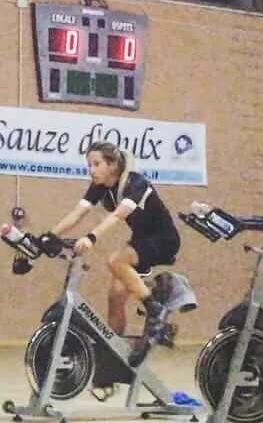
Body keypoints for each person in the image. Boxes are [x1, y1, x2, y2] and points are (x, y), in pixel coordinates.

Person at [45, 141, 187, 362]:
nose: (91, 169)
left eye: (96, 164)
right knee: (116, 296)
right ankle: (113, 353)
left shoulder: (136, 183)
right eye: (89, 164)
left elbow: (117, 216)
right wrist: (48, 235)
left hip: (164, 239)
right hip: (141, 240)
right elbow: (76, 214)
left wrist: (91, 237)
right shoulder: (100, 187)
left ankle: (156, 313)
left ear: (112, 165)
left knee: (115, 261)